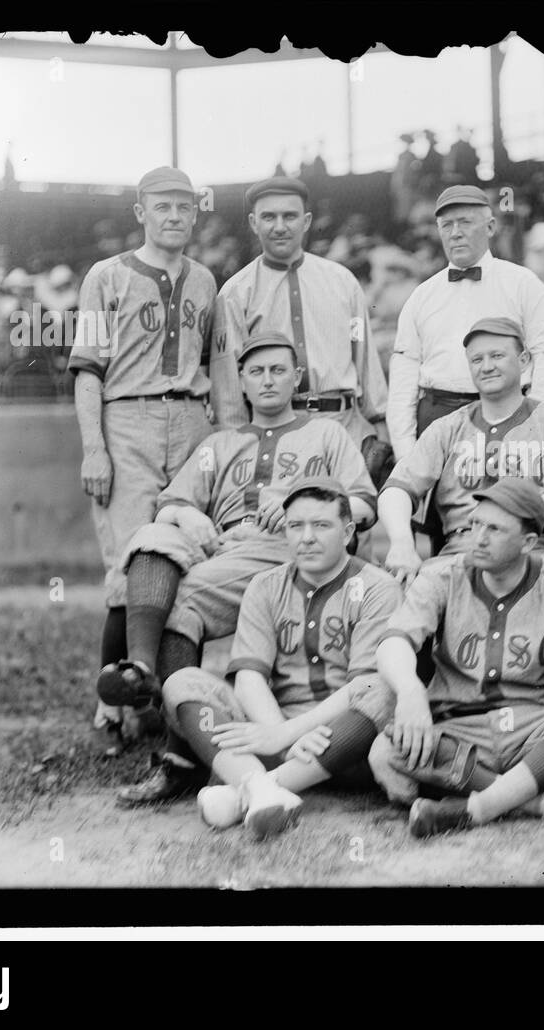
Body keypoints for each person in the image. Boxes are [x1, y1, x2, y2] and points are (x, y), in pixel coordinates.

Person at [99, 333, 378, 806]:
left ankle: (180, 758)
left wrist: (297, 509)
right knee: (153, 538)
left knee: (179, 598)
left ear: (296, 378)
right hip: (224, 549)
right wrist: (191, 516)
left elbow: (363, 506)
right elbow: (170, 504)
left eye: (277, 370)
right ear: (242, 382)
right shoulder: (219, 443)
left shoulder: (327, 432)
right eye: (256, 371)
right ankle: (143, 668)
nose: (267, 380)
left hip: (291, 547)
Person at [69, 166, 229, 747]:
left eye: (184, 207)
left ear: (194, 214)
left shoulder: (207, 281)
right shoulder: (104, 277)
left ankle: (165, 698)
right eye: (161, 206)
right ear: (141, 212)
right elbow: (87, 371)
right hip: (126, 417)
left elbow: (218, 369)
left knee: (186, 563)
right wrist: (95, 449)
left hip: (190, 419)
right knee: (129, 569)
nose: (173, 216)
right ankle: (112, 705)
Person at [370, 479, 544, 837]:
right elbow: (394, 642)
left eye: (495, 529)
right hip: (461, 731)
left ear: (528, 542)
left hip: (538, 727)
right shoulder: (442, 575)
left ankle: (476, 807)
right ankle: (539, 802)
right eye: (475, 525)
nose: (479, 538)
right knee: (385, 753)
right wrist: (410, 693)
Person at [159, 477, 403, 839]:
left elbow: (361, 687)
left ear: (348, 530)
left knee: (381, 686)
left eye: (321, 525)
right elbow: (249, 676)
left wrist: (285, 735)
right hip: (274, 730)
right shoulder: (266, 584)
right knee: (183, 682)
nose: (306, 537)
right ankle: (260, 789)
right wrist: (277, 734)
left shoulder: (378, 587)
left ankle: (250, 788)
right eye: (295, 526)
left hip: (346, 739)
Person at [378, 316, 544, 584]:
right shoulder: (449, 427)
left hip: (535, 551)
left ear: (523, 361)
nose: (486, 367)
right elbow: (396, 489)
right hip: (461, 553)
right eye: (477, 360)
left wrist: (513, 510)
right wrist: (402, 542)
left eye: (497, 356)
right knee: (410, 602)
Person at [385, 185, 544, 464]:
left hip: (509, 416)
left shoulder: (522, 283)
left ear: (490, 227)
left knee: (508, 504)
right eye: (446, 225)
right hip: (438, 420)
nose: (455, 232)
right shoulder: (422, 295)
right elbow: (404, 373)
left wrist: (534, 424)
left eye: (466, 222)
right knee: (439, 507)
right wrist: (405, 451)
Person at [209, 177, 389, 452]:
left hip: (345, 429)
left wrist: (381, 429)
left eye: (289, 216)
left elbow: (364, 358)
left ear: (305, 222)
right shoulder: (235, 293)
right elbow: (229, 390)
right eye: (269, 217)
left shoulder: (343, 281)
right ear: (253, 223)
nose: (279, 226)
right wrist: (240, 450)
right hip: (274, 432)